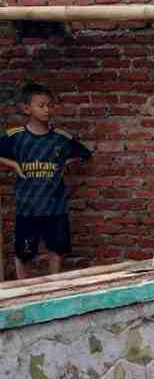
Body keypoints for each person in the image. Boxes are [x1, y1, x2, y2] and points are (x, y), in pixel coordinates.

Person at [1, 82, 92, 280]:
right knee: (24, 253)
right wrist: (14, 165)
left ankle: (54, 288)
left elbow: (84, 153)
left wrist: (65, 163)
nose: (46, 110)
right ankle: (22, 290)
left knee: (57, 248)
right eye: (41, 105)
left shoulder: (60, 138)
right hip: (27, 207)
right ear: (27, 109)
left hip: (55, 207)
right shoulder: (16, 137)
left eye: (50, 105)